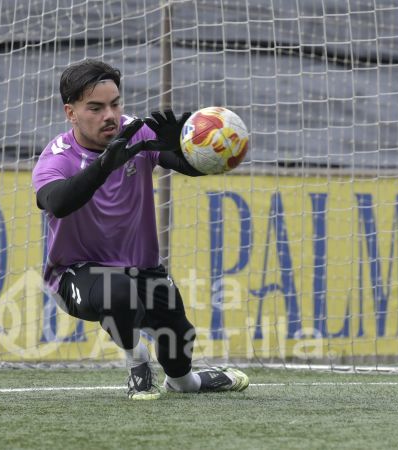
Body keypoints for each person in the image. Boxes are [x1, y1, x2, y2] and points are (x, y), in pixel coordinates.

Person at [31, 59, 249, 400]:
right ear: (70, 112)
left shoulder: (135, 132)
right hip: (74, 274)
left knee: (180, 339)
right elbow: (56, 202)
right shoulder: (58, 156)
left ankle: (186, 382)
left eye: (115, 103)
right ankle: (137, 361)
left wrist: (182, 148)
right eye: (96, 107)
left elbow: (187, 167)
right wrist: (105, 166)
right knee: (117, 291)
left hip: (144, 270)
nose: (110, 115)